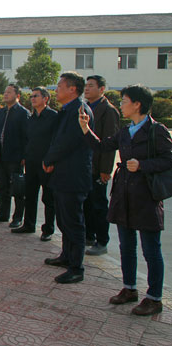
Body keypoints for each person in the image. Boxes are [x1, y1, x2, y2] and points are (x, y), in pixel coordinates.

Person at [79, 84, 172, 315]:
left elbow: (168, 159)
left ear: (137, 104)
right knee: (126, 247)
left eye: (124, 101)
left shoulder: (156, 130)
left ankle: (154, 298)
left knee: (151, 249)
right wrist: (85, 128)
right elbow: (102, 146)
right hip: (123, 195)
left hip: (146, 197)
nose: (121, 105)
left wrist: (143, 165)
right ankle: (129, 288)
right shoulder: (125, 131)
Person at [43, 72, 94, 284]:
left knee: (74, 222)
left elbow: (68, 142)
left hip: (74, 175)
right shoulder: (68, 110)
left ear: (72, 89)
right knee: (64, 220)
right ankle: (66, 256)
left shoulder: (80, 111)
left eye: (60, 86)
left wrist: (49, 159)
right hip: (62, 174)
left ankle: (76, 267)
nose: (56, 90)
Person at [12, 87, 57, 240]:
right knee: (30, 195)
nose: (32, 99)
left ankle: (48, 229)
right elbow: (27, 140)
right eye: (31, 96)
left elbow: (56, 141)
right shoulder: (31, 118)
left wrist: (51, 160)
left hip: (46, 163)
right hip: (31, 162)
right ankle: (29, 224)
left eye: (36, 96)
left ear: (45, 98)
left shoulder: (53, 117)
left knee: (48, 198)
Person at [83, 75, 120, 256]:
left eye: (91, 86)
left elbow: (109, 143)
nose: (87, 88)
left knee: (98, 205)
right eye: (86, 85)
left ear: (102, 89)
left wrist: (106, 170)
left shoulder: (108, 111)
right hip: (85, 165)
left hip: (98, 167)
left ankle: (102, 240)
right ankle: (88, 236)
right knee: (87, 204)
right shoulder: (85, 108)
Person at [0, 84, 29, 228]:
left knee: (17, 189)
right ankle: (3, 214)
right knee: (2, 187)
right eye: (5, 92)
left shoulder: (23, 113)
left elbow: (27, 136)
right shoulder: (1, 112)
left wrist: (24, 156)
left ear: (17, 96)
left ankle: (17, 217)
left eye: (9, 92)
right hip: (1, 156)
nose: (5, 94)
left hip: (15, 157)